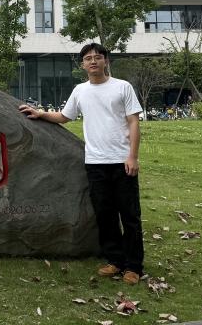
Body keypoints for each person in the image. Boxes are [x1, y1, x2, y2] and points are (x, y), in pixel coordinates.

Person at [18, 43, 145, 285]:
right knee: (105, 214)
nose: (93, 61)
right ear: (83, 64)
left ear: (106, 61)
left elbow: (133, 122)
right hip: (95, 163)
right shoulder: (80, 90)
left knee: (130, 216)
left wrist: (133, 156)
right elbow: (65, 116)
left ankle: (133, 266)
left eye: (97, 57)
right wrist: (41, 114)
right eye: (88, 58)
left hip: (122, 161)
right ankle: (115, 260)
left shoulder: (122, 87)